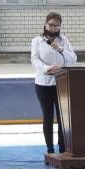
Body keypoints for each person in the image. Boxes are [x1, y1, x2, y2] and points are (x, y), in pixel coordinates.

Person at [31, 12, 77, 155]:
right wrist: (47, 68)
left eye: (56, 26)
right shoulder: (37, 41)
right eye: (51, 25)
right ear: (45, 24)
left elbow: (73, 59)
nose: (53, 28)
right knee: (48, 116)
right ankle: (50, 150)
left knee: (63, 118)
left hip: (62, 83)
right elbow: (35, 60)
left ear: (59, 27)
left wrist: (61, 49)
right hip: (44, 83)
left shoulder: (64, 41)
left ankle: (63, 149)